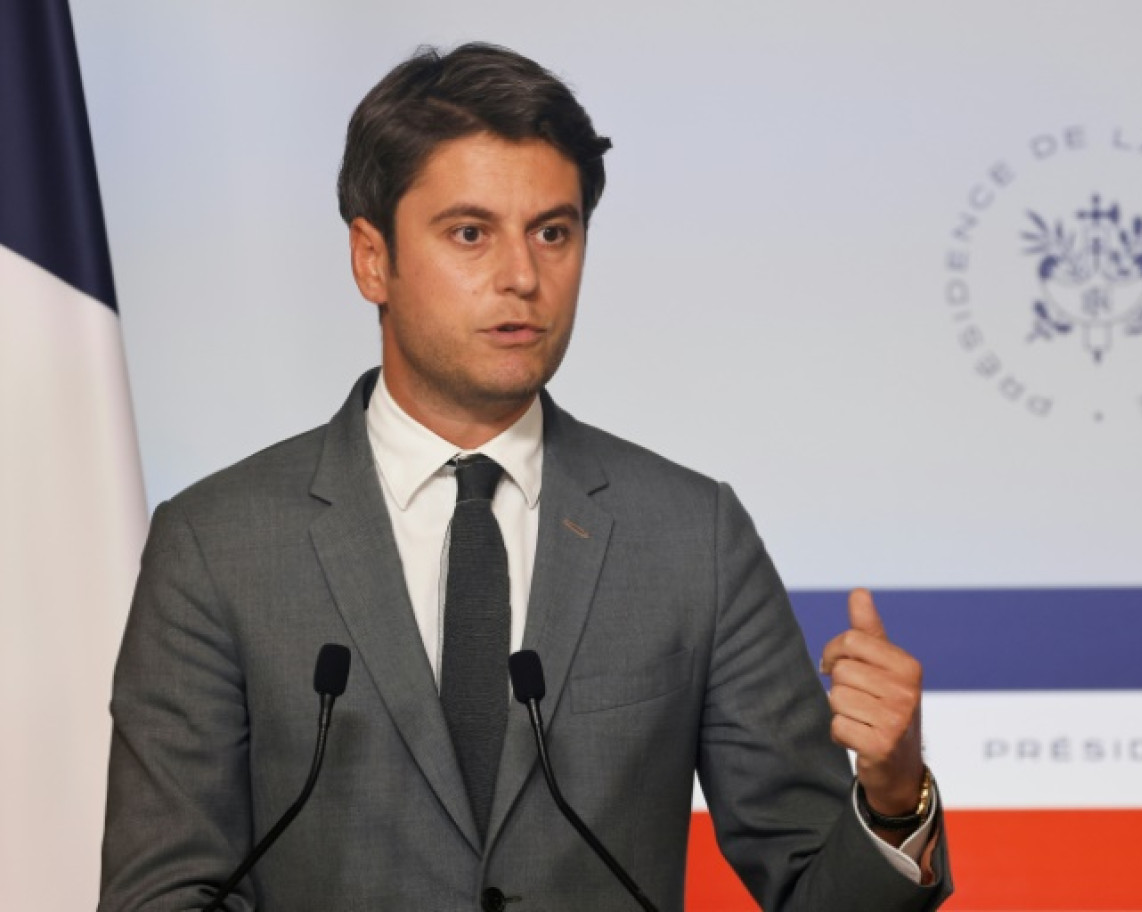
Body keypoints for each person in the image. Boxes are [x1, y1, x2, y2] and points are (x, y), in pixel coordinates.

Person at [99, 43, 951, 911]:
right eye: (470, 233)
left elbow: (814, 888)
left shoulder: (694, 536)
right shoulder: (217, 544)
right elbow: (163, 894)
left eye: (554, 232)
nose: (522, 277)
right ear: (371, 259)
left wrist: (891, 801)